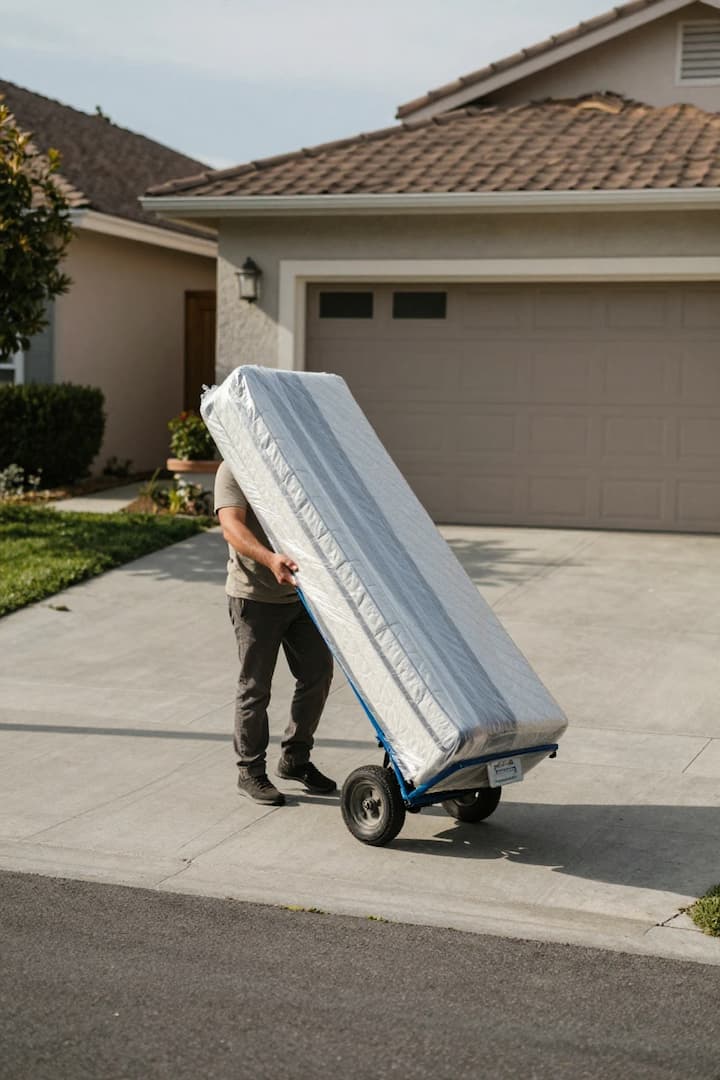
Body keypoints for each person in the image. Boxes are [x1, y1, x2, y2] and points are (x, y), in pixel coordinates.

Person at [214, 460, 335, 806]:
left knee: (318, 673)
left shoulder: (289, 461)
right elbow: (231, 527)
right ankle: (249, 771)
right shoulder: (233, 468)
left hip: (299, 595)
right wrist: (270, 559)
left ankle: (295, 759)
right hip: (254, 596)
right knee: (255, 687)